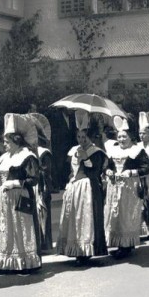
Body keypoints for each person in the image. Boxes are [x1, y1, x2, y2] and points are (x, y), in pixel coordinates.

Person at [0, 113, 42, 272]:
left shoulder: (27, 156)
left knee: (18, 230)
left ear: (16, 141)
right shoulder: (4, 157)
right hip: (2, 199)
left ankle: (22, 262)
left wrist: (16, 183)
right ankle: (2, 262)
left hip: (18, 199)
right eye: (4, 141)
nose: (5, 144)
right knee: (2, 230)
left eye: (7, 141)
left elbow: (34, 179)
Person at [57, 110, 107, 265]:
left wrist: (86, 159)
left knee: (85, 219)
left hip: (88, 189)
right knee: (73, 218)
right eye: (79, 137)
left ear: (90, 137)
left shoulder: (96, 152)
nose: (81, 140)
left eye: (84, 137)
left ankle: (85, 252)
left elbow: (96, 172)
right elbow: (69, 169)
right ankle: (73, 248)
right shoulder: (73, 150)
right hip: (74, 188)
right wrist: (69, 179)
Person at [104, 116, 149, 259]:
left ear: (130, 137)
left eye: (124, 136)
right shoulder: (113, 150)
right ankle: (119, 243)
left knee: (127, 216)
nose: (121, 139)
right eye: (119, 136)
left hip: (130, 188)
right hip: (114, 187)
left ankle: (126, 245)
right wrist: (108, 171)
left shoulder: (137, 151)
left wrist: (130, 172)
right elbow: (107, 166)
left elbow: (145, 168)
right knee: (115, 215)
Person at [28, 113, 54, 252]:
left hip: (41, 187)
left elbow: (46, 172)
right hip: (32, 186)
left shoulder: (44, 152)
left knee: (43, 213)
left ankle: (45, 243)